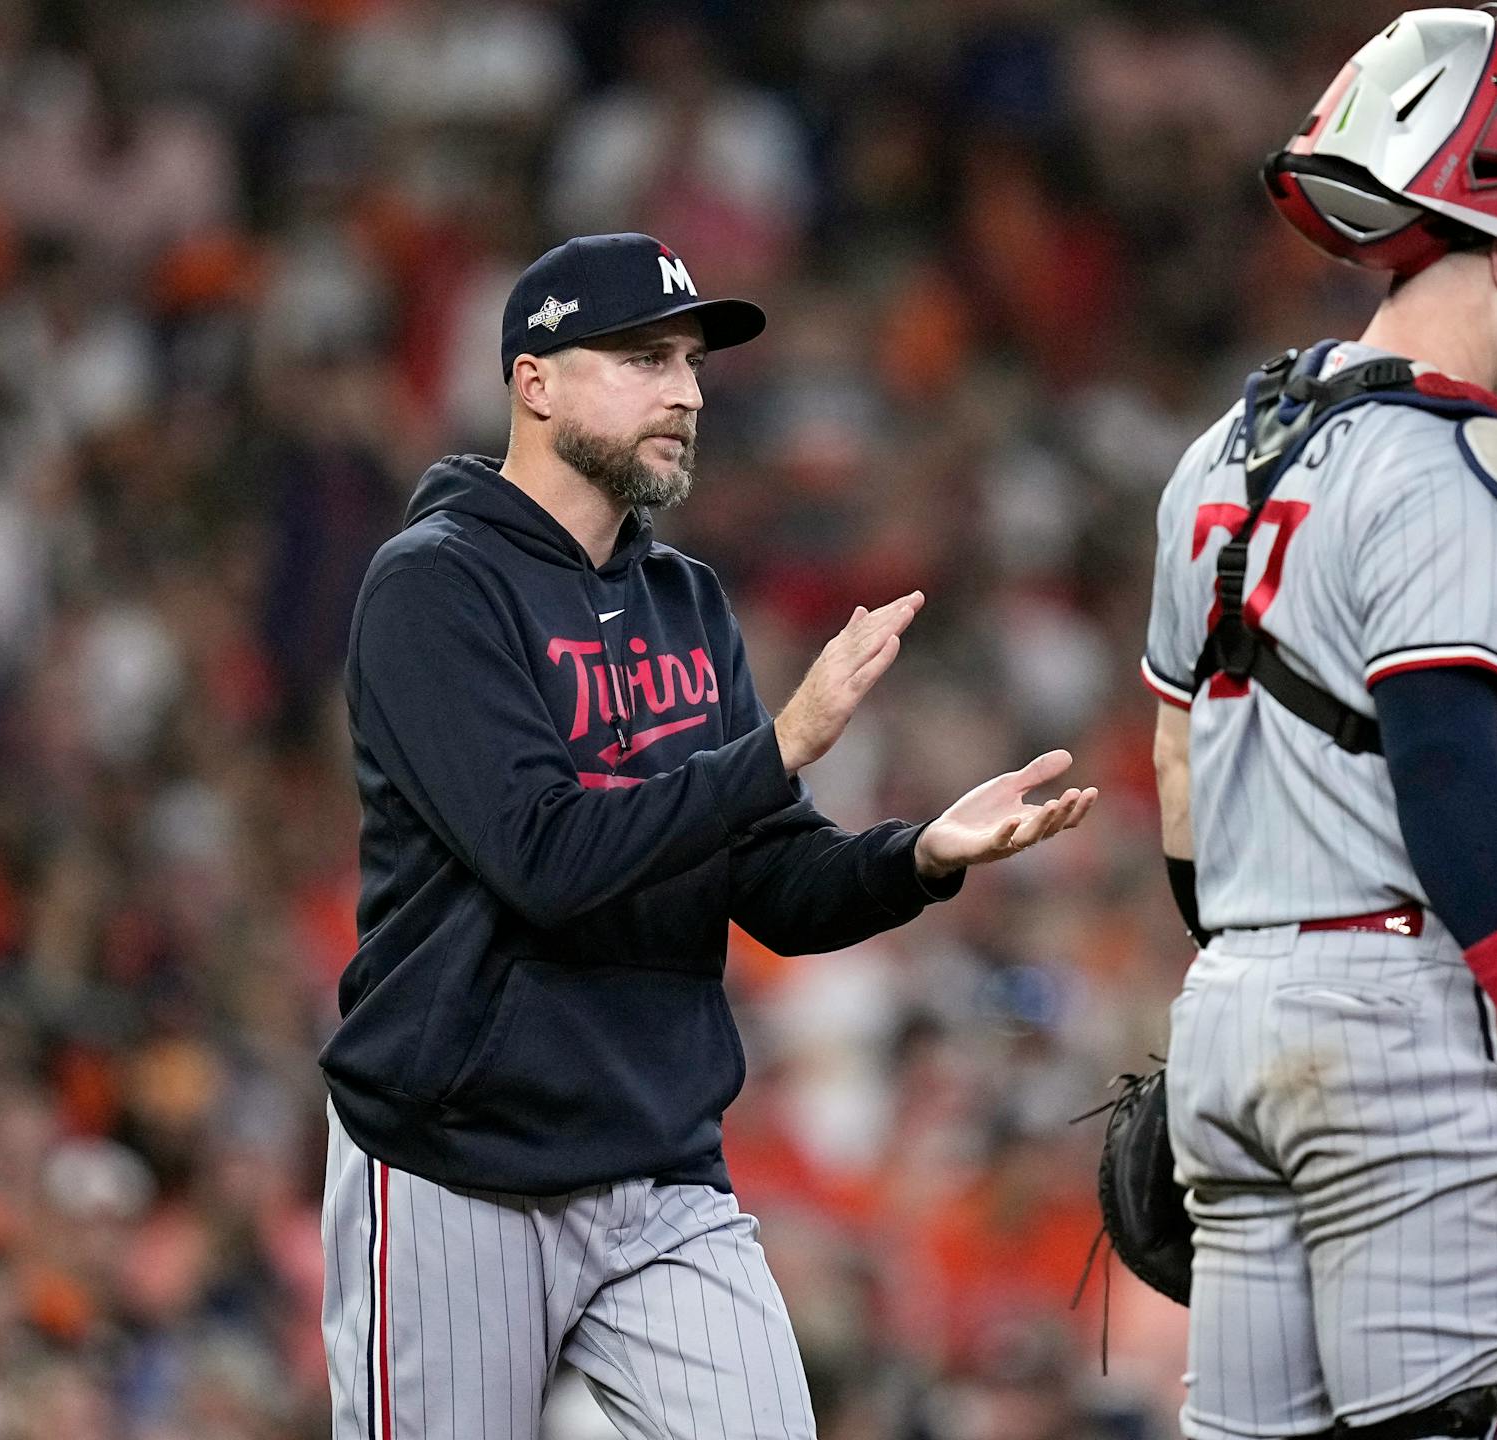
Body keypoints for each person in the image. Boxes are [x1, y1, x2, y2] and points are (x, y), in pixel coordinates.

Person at [317, 231, 1097, 1440]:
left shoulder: (685, 599)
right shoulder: (434, 586)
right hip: (452, 1162)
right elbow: (545, 857)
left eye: (689, 361)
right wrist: (778, 745)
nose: (683, 389)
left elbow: (771, 879)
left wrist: (920, 856)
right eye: (640, 357)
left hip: (657, 1163)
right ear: (535, 381)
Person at [1141, 9, 1497, 1438]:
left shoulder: (1219, 451)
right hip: (1408, 1015)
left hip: (1232, 1012)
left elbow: (1179, 761)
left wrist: (1254, 975)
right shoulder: (1484, 459)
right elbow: (1441, 757)